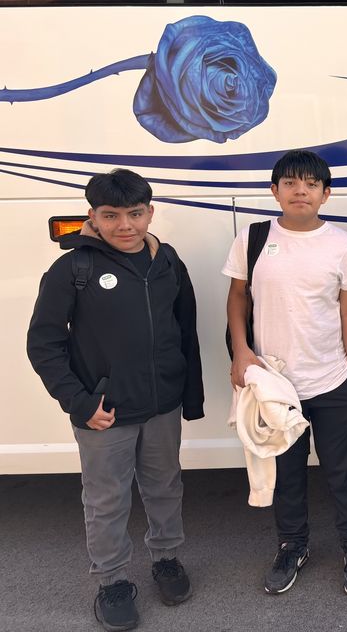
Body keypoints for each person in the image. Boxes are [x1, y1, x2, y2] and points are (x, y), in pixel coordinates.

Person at [27, 169, 203, 632]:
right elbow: (44, 344)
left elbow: (185, 331)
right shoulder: (73, 269)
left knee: (165, 487)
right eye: (111, 216)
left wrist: (189, 397)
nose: (125, 225)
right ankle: (112, 581)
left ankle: (166, 558)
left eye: (135, 214)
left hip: (161, 406)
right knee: (106, 499)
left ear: (150, 212)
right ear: (93, 216)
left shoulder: (167, 261)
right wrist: (80, 403)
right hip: (104, 412)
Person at [224, 150, 347, 596]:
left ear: (326, 194)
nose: (300, 191)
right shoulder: (253, 238)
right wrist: (241, 353)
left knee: (341, 471)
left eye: (311, 184)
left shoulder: (343, 245)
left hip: (333, 380)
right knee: (287, 474)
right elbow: (237, 297)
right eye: (290, 183)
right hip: (275, 385)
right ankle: (292, 546)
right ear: (275, 191)